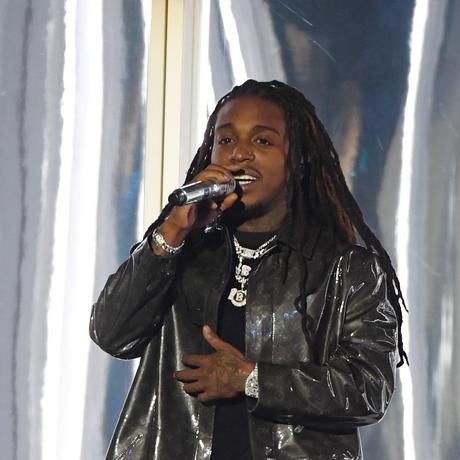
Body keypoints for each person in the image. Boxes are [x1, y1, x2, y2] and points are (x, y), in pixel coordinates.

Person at [90, 80, 407, 460]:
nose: (239, 153)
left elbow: (369, 389)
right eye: (225, 140)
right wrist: (172, 229)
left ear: (299, 159)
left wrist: (253, 379)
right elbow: (112, 334)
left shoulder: (346, 269)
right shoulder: (179, 252)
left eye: (263, 140)